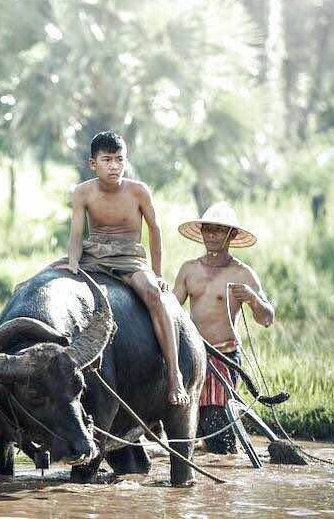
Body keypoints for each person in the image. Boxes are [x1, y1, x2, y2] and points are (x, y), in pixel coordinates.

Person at [58, 131, 189, 405]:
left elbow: (154, 231)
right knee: (39, 281)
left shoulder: (138, 190)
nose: (114, 166)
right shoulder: (82, 192)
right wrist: (72, 263)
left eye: (120, 160)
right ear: (93, 163)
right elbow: (76, 235)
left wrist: (156, 272)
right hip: (94, 254)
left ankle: (174, 376)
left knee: (154, 295)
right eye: (107, 160)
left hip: (129, 257)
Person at [172, 202, 275, 453]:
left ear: (232, 235)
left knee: (218, 426)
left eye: (219, 230)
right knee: (184, 426)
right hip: (192, 356)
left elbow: (267, 318)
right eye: (208, 230)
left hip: (224, 356)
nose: (212, 235)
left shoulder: (242, 273)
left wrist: (252, 298)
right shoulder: (189, 269)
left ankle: (225, 463)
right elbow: (172, 310)